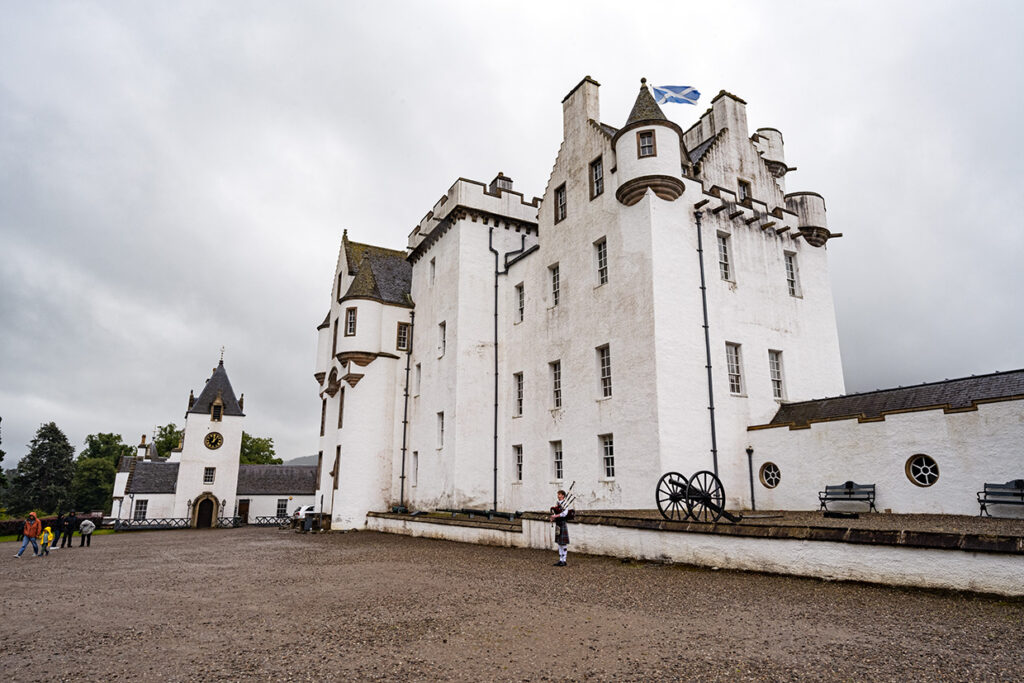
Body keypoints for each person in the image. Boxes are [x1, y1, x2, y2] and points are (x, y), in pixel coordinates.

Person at [549, 489, 570, 567]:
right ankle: (560, 559)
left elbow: (564, 513)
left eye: (560, 494)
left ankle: (564, 560)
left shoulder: (565, 504)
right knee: (559, 542)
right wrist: (553, 518)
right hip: (558, 523)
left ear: (563, 496)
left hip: (562, 523)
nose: (558, 496)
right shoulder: (557, 504)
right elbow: (556, 512)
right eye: (558, 494)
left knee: (563, 543)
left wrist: (556, 516)